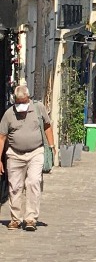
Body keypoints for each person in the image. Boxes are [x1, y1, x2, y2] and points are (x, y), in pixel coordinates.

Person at [0, 85, 55, 231]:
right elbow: (2, 137)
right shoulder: (9, 114)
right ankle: (15, 219)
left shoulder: (38, 108)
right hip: (14, 153)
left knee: (34, 182)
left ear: (28, 98)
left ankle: (30, 219)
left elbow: (47, 126)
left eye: (23, 102)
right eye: (18, 102)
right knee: (15, 187)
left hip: (35, 152)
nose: (21, 105)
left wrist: (52, 145)